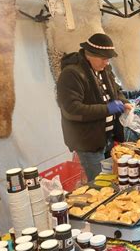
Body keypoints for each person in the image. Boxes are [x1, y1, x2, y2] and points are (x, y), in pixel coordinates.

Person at [56, 33, 132, 181]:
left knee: (115, 180)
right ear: (89, 54)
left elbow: (117, 91)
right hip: (88, 142)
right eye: (104, 58)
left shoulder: (105, 70)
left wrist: (123, 102)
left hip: (108, 138)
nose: (107, 62)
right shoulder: (71, 74)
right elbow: (72, 110)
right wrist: (108, 109)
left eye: (108, 58)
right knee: (100, 184)